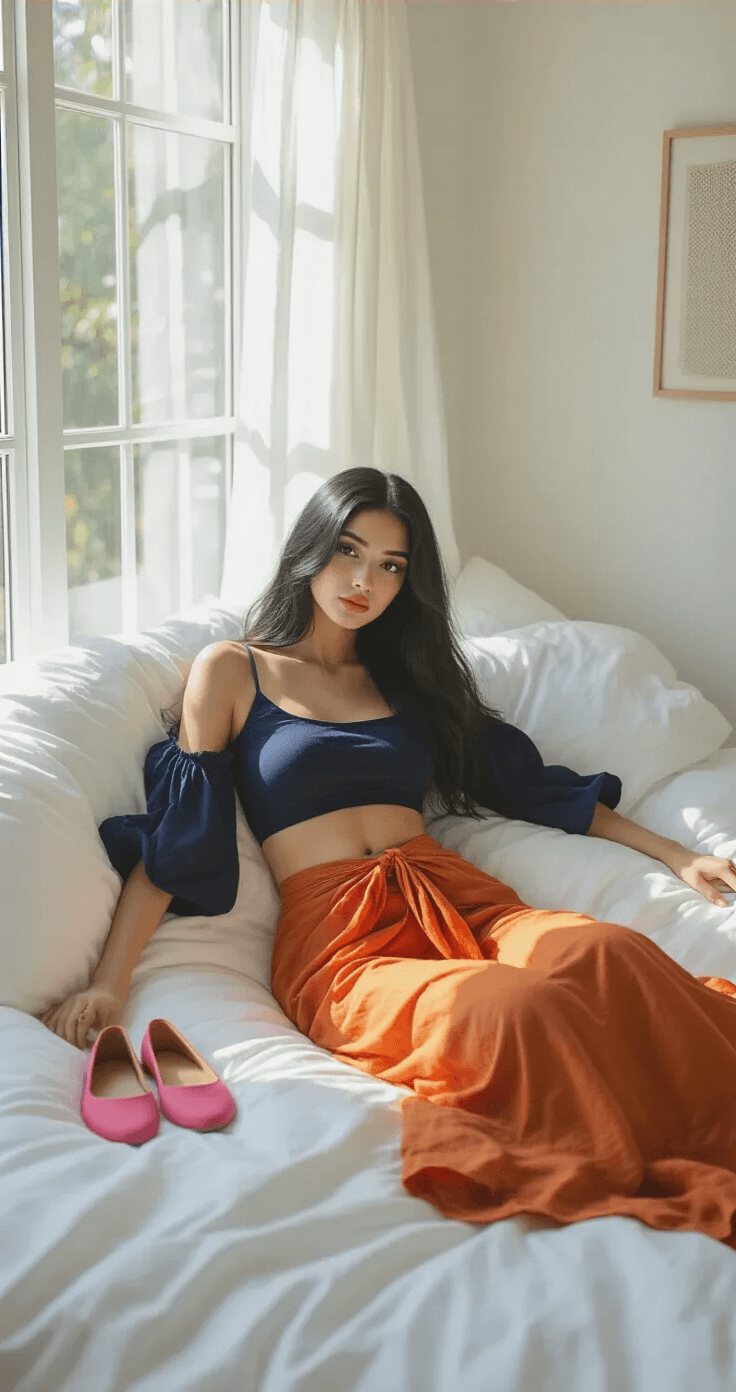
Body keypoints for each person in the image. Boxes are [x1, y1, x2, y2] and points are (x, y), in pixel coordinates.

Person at [40, 468, 736, 1242]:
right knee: (516, 1009)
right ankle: (627, 1155)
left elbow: (523, 783)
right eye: (348, 551)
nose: (364, 581)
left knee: (609, 954)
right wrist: (109, 982)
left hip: (457, 893)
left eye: (391, 565)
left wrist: (675, 854)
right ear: (312, 549)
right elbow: (178, 836)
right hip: (342, 941)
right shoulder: (234, 669)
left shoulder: (408, 679)